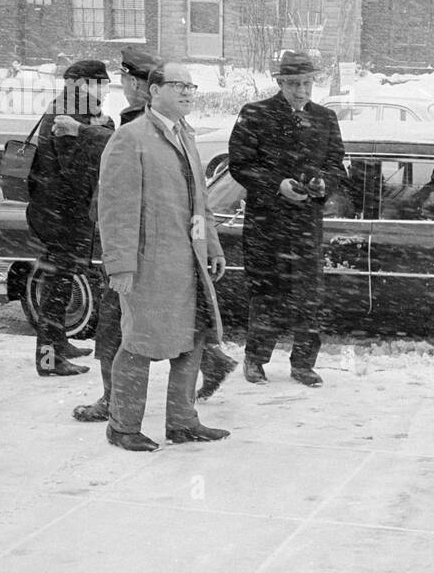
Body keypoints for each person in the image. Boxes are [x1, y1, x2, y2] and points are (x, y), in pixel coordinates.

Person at [70, 48, 238, 422]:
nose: (188, 93)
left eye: (192, 87)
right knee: (138, 343)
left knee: (192, 340)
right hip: (148, 266)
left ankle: (182, 422)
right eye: (179, 85)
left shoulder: (186, 136)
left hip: (187, 263)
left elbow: (201, 204)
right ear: (155, 90)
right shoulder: (131, 138)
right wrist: (120, 267)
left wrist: (213, 245)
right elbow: (116, 210)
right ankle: (124, 426)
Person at [229, 50, 345, 387]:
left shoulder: (325, 118)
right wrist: (276, 184)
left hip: (307, 225)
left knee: (308, 296)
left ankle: (304, 364)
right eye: (294, 84)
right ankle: (255, 359)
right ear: (280, 83)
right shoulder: (255, 114)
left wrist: (325, 183)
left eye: (307, 83)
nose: (302, 91)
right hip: (267, 225)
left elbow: (337, 163)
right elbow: (239, 164)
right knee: (267, 293)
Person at [25, 60, 111, 375]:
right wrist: (103, 130)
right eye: (97, 83)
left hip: (57, 212)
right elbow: (77, 168)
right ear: (78, 84)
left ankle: (58, 344)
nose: (103, 90)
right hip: (59, 216)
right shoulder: (68, 114)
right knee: (55, 286)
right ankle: (49, 361)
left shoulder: (72, 109)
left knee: (58, 283)